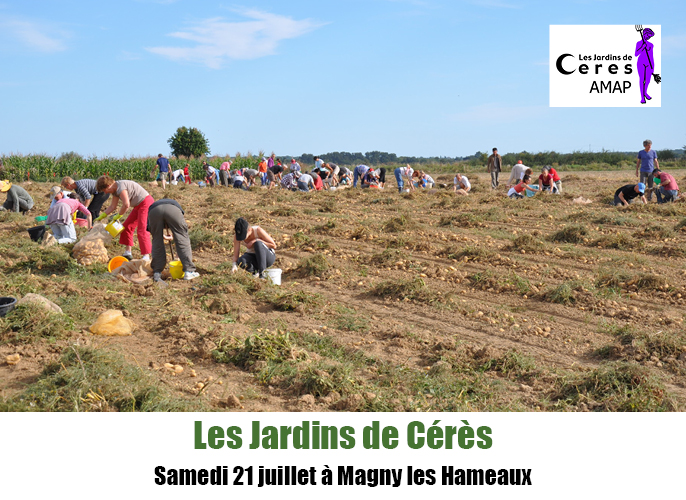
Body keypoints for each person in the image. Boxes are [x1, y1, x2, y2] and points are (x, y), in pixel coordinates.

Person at [95, 175, 154, 260]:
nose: (106, 193)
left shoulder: (121, 187)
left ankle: (146, 256)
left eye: (105, 190)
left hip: (145, 203)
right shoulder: (115, 191)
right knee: (126, 227)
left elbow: (126, 205)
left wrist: (119, 215)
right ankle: (128, 252)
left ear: (108, 185)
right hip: (138, 206)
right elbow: (112, 206)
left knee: (142, 230)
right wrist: (102, 216)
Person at [147, 198, 199, 282]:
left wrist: (162, 235)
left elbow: (153, 232)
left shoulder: (151, 210)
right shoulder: (176, 206)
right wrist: (176, 235)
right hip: (173, 210)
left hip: (154, 211)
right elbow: (180, 235)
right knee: (182, 237)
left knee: (156, 240)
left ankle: (157, 271)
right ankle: (189, 271)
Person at [635, 28, 656, 105]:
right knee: (642, 79)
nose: (648, 37)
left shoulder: (651, 45)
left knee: (647, 80)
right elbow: (636, 54)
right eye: (648, 35)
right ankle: (642, 97)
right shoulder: (639, 43)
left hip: (649, 63)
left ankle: (645, 92)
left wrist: (652, 66)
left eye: (650, 37)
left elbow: (651, 55)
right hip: (641, 63)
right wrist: (643, 47)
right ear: (644, 34)